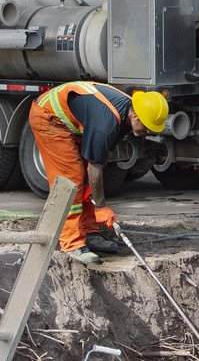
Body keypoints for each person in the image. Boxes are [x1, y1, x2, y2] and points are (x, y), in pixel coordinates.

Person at [28, 81, 167, 265]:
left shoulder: (127, 111)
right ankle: (71, 242)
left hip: (74, 123)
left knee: (86, 180)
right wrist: (101, 208)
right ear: (135, 115)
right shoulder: (106, 122)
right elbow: (95, 168)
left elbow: (100, 160)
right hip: (50, 118)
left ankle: (89, 231)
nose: (147, 132)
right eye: (147, 127)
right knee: (71, 181)